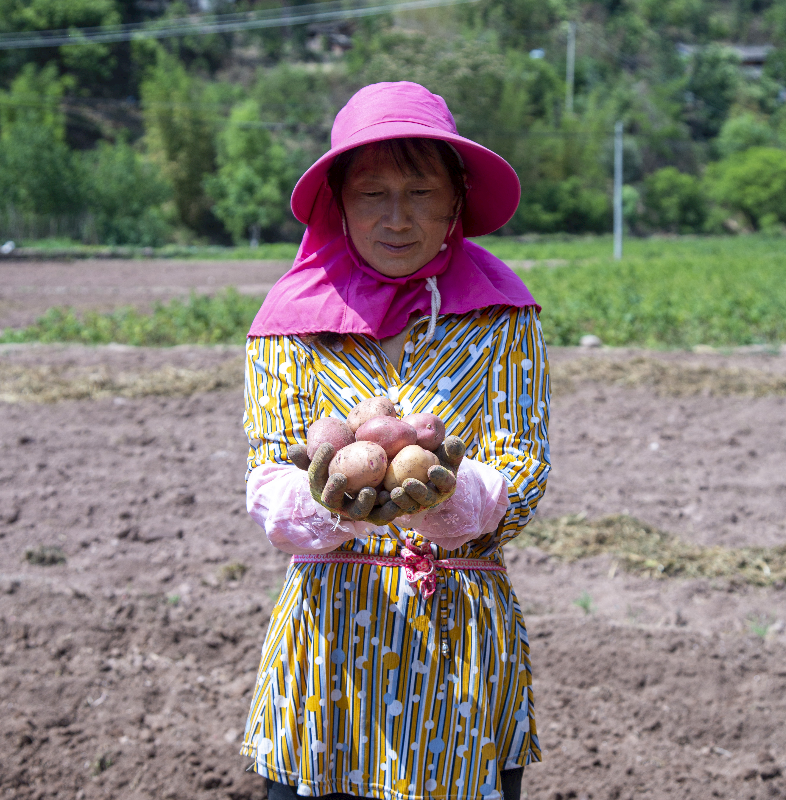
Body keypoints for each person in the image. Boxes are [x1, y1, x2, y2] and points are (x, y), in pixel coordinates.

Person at [240, 81, 551, 800]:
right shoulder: (288, 323)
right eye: (373, 194)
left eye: (420, 192)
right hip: (327, 655)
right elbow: (268, 474)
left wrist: (454, 500)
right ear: (339, 204)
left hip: (459, 647)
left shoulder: (504, 318)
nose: (398, 218)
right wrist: (326, 501)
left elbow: (523, 466)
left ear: (455, 203)